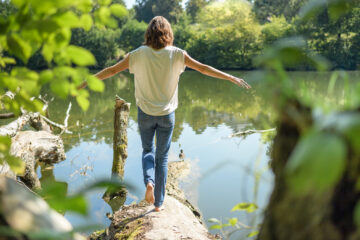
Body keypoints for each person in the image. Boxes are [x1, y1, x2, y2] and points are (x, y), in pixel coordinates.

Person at [79, 16, 251, 212]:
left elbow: (111, 71)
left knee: (147, 151)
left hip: (145, 112)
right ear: (168, 33)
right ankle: (159, 204)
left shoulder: (137, 54)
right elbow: (203, 69)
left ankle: (149, 183)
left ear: (148, 34)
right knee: (162, 158)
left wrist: (87, 81)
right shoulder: (177, 54)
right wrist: (230, 77)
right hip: (167, 114)